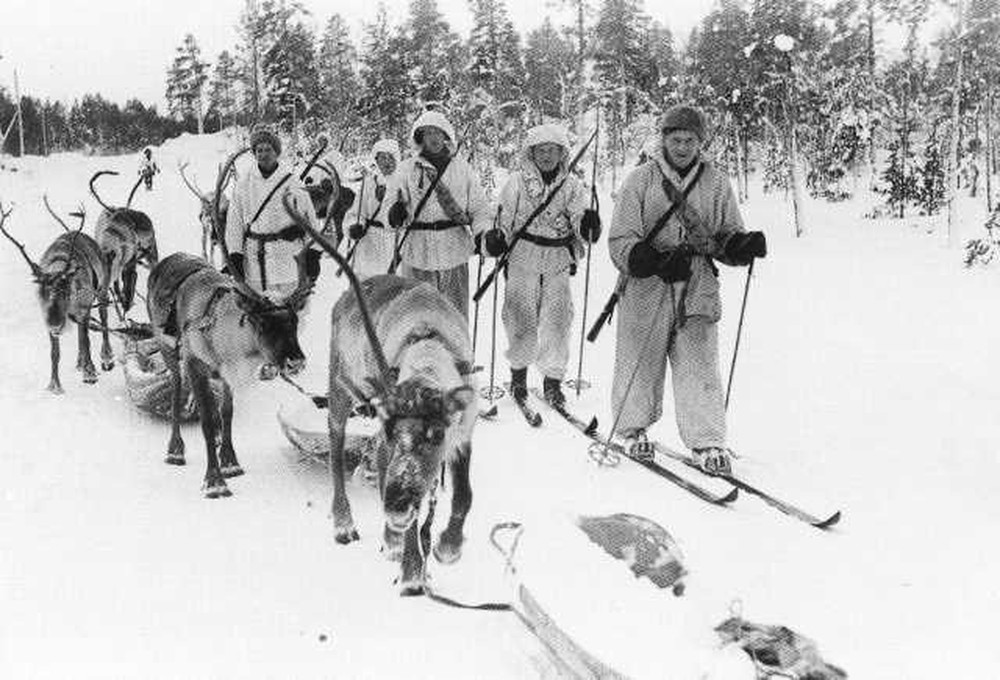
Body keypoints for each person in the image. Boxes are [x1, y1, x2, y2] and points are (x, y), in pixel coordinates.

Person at [607, 105, 767, 475]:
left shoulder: (716, 182)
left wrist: (741, 245)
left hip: (696, 281)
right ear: (662, 139)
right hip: (648, 282)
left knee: (699, 362)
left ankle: (707, 439)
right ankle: (632, 429)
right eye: (675, 139)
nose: (682, 147)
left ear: (700, 142)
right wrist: (647, 259)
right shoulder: (639, 181)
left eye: (689, 140)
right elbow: (620, 239)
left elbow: (725, 233)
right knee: (639, 357)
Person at [483, 124, 600, 408]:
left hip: (557, 259)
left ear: (562, 153)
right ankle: (518, 377)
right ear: (531, 153)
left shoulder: (572, 186)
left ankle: (553, 381)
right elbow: (503, 217)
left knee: (558, 321)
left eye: (553, 150)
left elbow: (579, 220)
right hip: (523, 256)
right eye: (541, 150)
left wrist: (587, 224)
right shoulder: (516, 182)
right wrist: (496, 238)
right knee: (519, 318)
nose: (547, 155)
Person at [386, 110, 490, 319]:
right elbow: (390, 203)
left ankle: (455, 352)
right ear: (420, 138)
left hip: (454, 251)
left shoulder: (462, 169)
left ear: (446, 136)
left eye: (438, 132)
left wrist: (482, 234)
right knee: (418, 318)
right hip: (417, 252)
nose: (433, 137)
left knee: (454, 318)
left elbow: (479, 208)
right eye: (427, 133)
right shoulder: (406, 169)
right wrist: (394, 213)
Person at [224, 128, 322, 299]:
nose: (263, 154)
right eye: (259, 150)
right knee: (258, 318)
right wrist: (235, 255)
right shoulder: (244, 184)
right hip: (255, 263)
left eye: (268, 149)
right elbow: (235, 223)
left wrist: (313, 254)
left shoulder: (292, 183)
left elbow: (310, 220)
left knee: (291, 316)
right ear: (254, 154)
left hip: (288, 261)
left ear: (276, 152)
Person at [346, 138, 402, 279]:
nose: (387, 161)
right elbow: (355, 213)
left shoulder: (405, 184)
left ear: (397, 158)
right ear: (376, 160)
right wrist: (354, 226)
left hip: (393, 247)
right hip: (368, 247)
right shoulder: (369, 183)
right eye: (382, 157)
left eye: (391, 157)